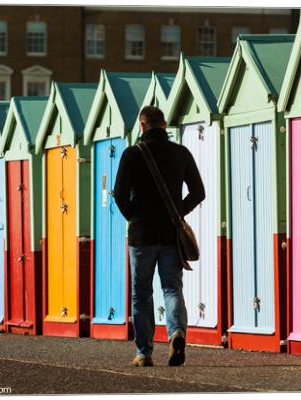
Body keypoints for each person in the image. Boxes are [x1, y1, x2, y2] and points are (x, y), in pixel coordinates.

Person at [113, 106, 205, 367]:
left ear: (142, 126)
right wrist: (177, 212)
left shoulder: (132, 154)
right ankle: (176, 333)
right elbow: (198, 191)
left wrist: (134, 216)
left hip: (141, 235)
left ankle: (144, 353)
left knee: (141, 293)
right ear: (164, 125)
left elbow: (119, 194)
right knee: (172, 288)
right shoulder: (180, 153)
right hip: (170, 235)